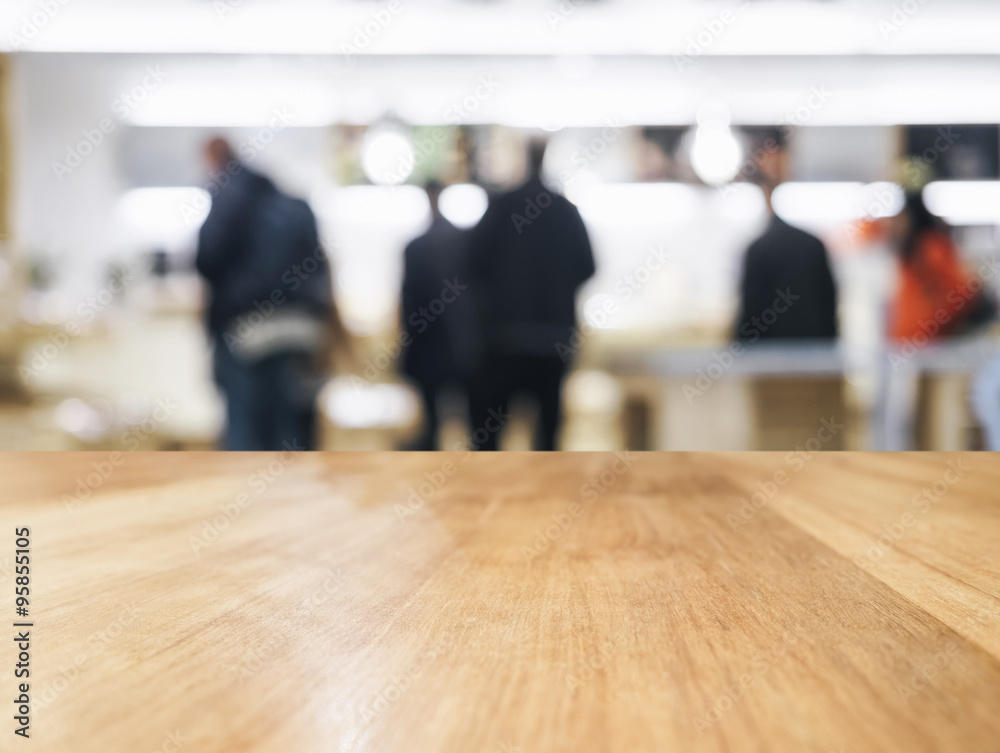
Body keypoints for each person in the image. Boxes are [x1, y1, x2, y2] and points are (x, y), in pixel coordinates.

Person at [195, 137, 336, 451]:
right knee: (295, 430)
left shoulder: (227, 197)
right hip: (301, 330)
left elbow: (205, 259)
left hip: (248, 331)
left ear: (214, 160)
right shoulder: (295, 204)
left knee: (246, 437)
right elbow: (320, 266)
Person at [467, 138, 595, 450]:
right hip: (552, 341)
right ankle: (549, 498)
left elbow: (471, 264)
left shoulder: (501, 206)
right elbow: (588, 267)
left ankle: (484, 496)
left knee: (489, 438)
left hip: (503, 340)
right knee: (547, 438)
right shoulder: (566, 211)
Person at [734, 129, 838, 341]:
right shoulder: (814, 245)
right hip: (814, 362)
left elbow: (748, 318)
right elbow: (830, 309)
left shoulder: (759, 249)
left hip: (770, 363)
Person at [400, 180, 477, 450]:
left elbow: (408, 306)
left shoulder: (417, 246)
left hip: (430, 348)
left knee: (432, 427)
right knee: (472, 426)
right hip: (466, 347)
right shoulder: (466, 240)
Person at [888, 191, 994, 342]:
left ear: (911, 217)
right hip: (916, 348)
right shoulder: (911, 251)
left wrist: (935, 324)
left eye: (899, 218)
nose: (893, 225)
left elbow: (962, 292)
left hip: (930, 350)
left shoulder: (931, 248)